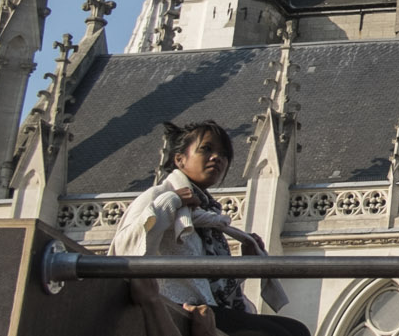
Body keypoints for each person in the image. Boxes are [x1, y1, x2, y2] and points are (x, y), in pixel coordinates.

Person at [113, 121, 309, 336]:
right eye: (206, 149)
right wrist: (170, 202)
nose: (217, 158)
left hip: (207, 308)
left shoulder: (209, 215)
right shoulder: (159, 195)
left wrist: (246, 266)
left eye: (223, 154)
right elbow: (125, 249)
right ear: (180, 159)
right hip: (176, 306)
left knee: (297, 330)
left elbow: (213, 288)